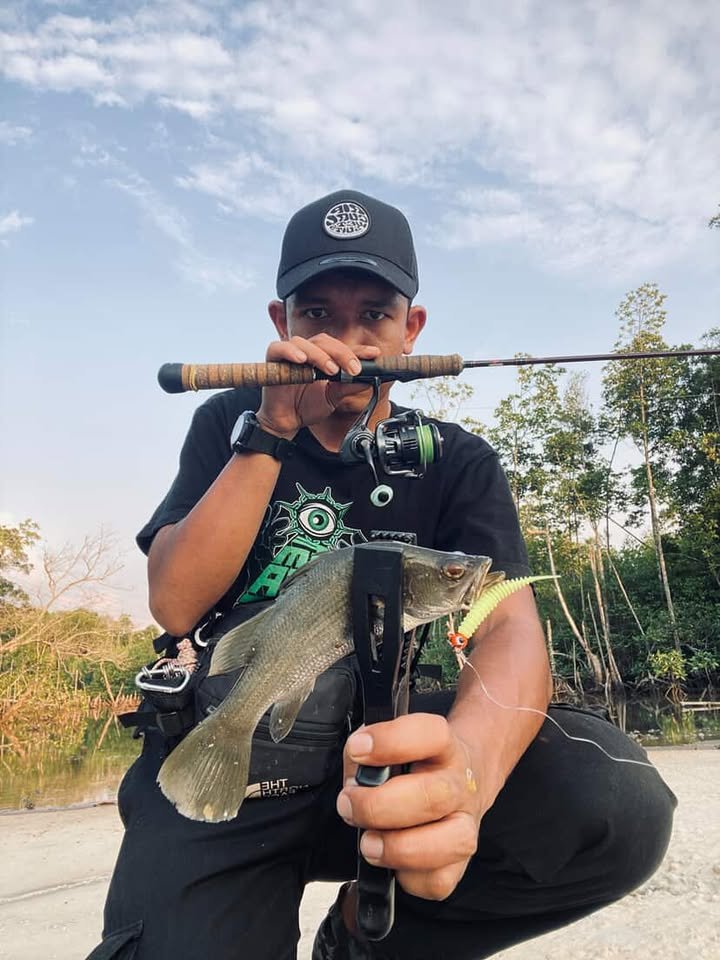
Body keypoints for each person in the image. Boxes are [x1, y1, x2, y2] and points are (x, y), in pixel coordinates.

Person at [88, 190, 676, 960]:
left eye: (374, 314)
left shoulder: (457, 460)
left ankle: (358, 943)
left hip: (378, 750)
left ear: (412, 329)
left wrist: (468, 774)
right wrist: (272, 428)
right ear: (281, 324)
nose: (347, 339)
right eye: (317, 314)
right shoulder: (230, 421)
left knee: (615, 801)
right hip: (231, 754)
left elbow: (507, 623)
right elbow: (174, 603)